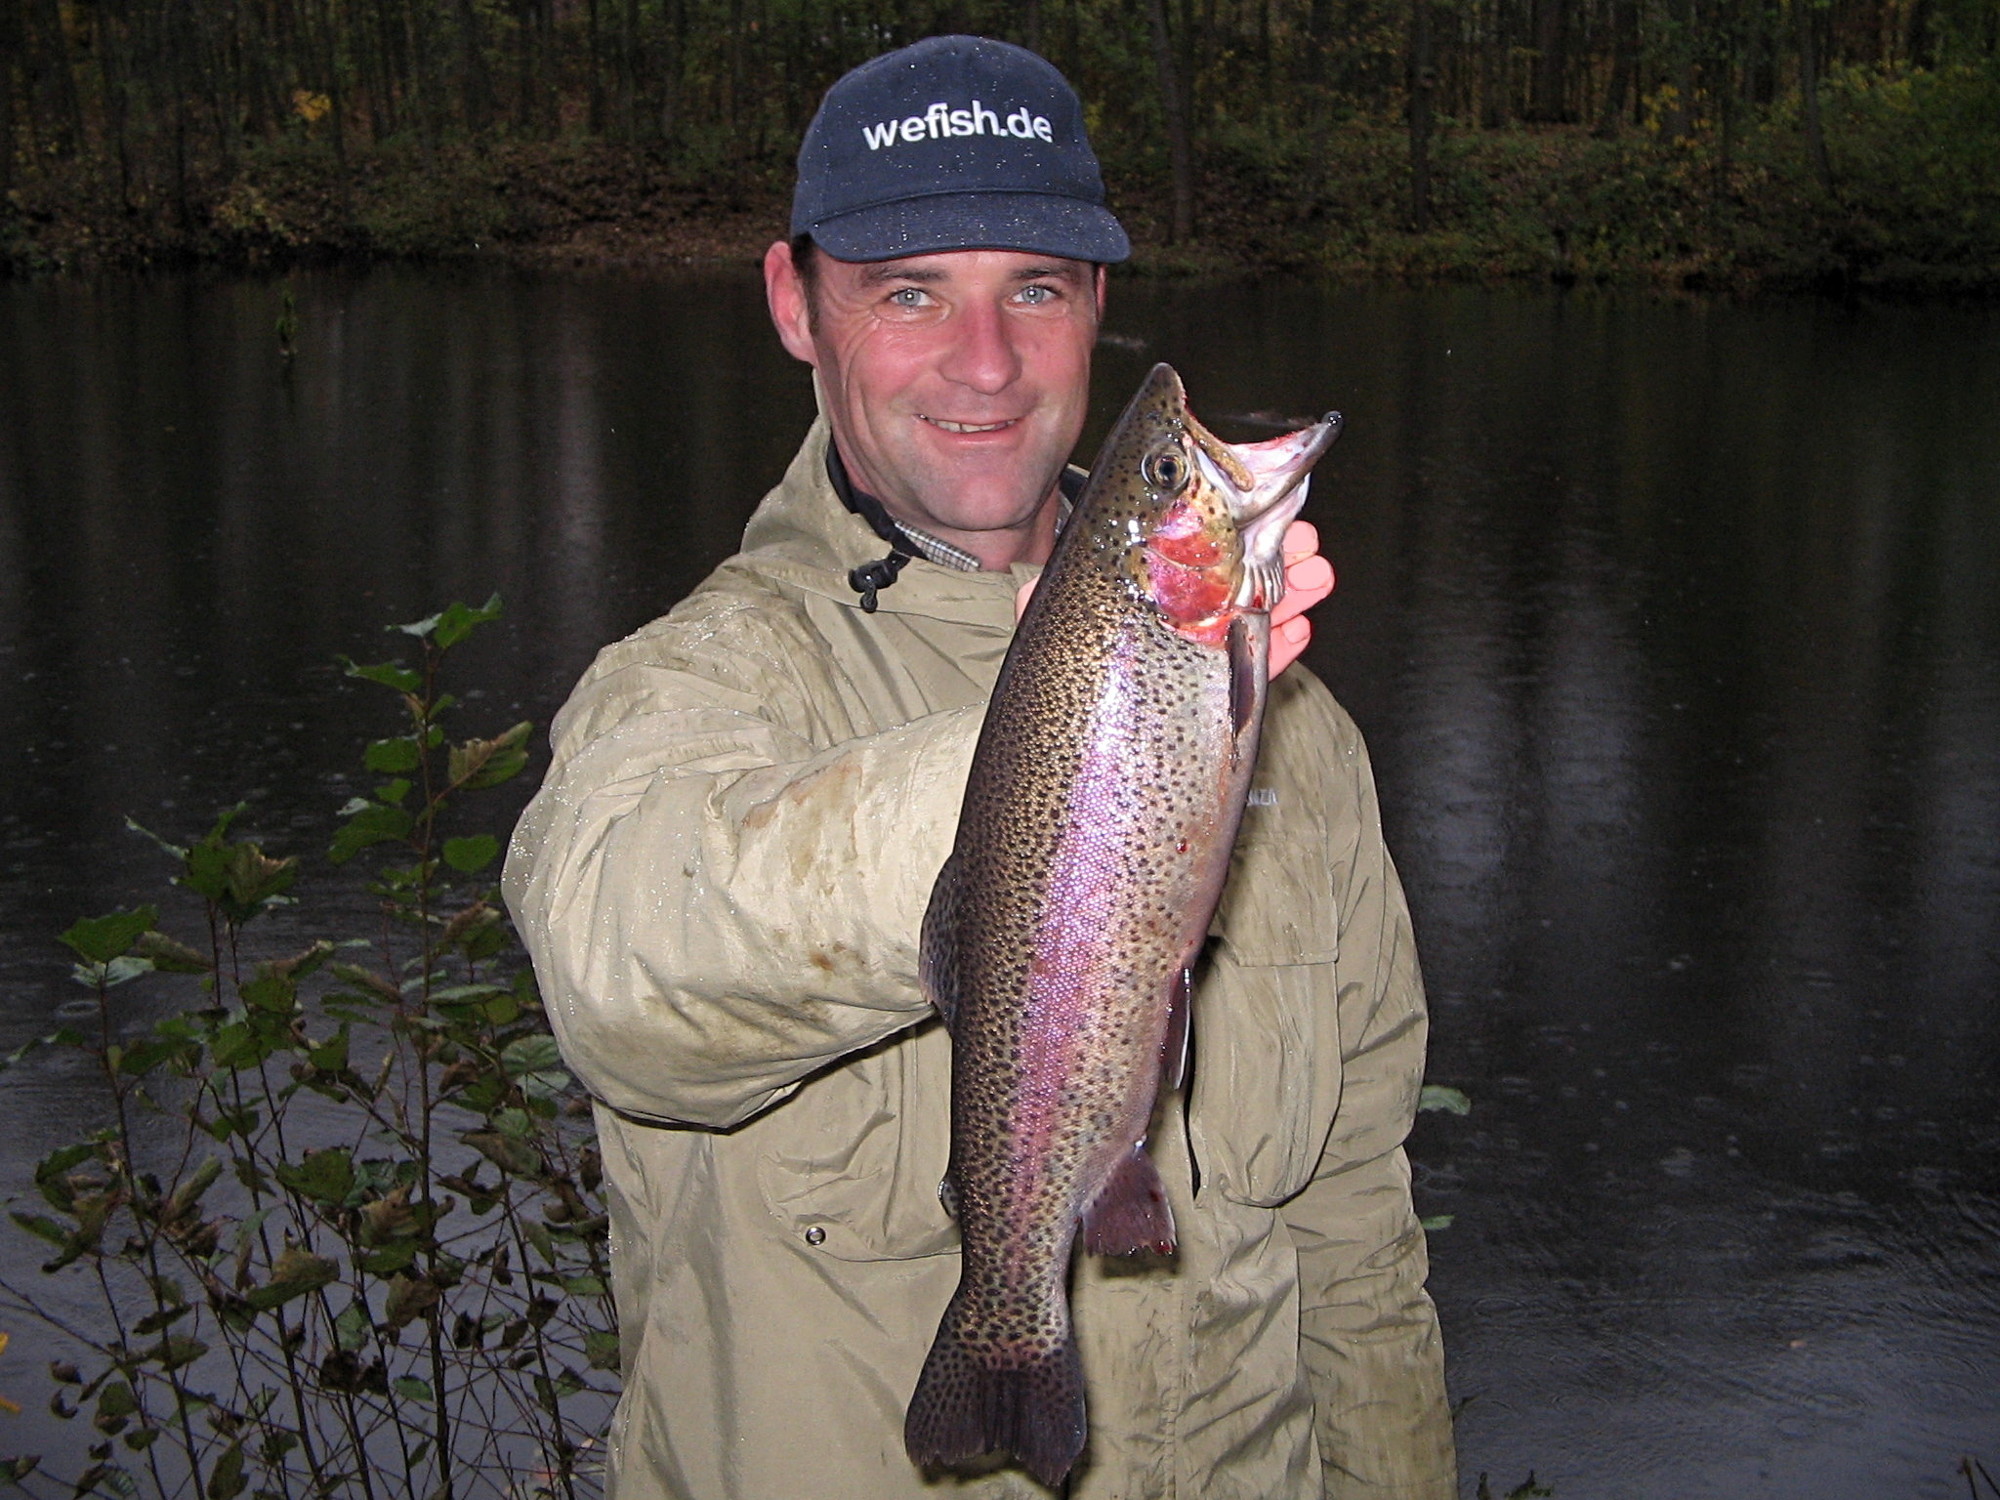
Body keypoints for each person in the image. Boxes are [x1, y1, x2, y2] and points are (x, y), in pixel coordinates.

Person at [502, 34, 1455, 1500]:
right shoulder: (690, 686)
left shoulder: (1292, 733)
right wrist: (1070, 744)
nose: (987, 363)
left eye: (1034, 289)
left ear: (1095, 310)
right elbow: (621, 974)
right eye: (909, 293)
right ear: (796, 306)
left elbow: (1357, 1229)